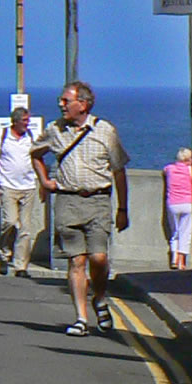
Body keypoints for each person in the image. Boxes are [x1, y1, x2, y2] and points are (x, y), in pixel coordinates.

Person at [33, 81, 129, 336]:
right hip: (67, 200)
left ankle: (99, 298)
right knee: (77, 261)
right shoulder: (54, 130)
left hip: (98, 200)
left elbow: (119, 170)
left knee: (99, 258)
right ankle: (81, 318)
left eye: (66, 100)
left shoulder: (105, 131)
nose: (60, 104)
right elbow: (35, 153)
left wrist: (122, 209)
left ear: (83, 104)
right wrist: (45, 181)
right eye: (61, 100)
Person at [0, 100, 44, 276]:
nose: (27, 124)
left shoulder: (32, 137)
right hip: (8, 185)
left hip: (28, 186)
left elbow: (38, 160)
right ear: (16, 121)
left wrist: (42, 183)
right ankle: (5, 253)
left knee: (25, 228)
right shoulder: (2, 136)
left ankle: (21, 265)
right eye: (25, 120)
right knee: (9, 222)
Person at [164, 148, 192, 270]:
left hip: (172, 204)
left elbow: (165, 170)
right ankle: (182, 261)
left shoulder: (170, 169)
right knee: (185, 232)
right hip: (187, 203)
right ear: (188, 159)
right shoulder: (190, 170)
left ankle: (174, 258)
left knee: (175, 232)